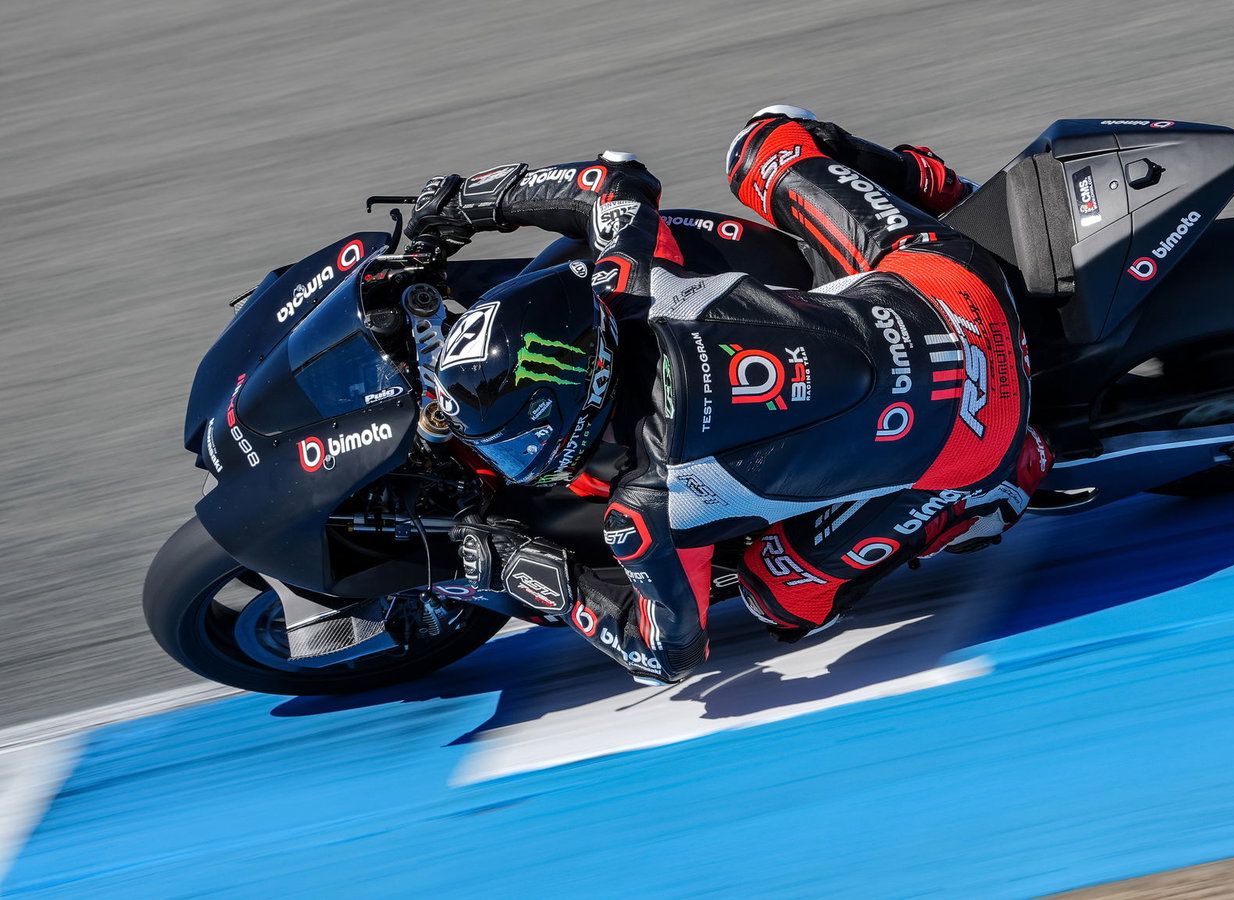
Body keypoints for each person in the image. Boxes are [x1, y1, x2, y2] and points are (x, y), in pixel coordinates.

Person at [405, 106, 1052, 686]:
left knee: (778, 597)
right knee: (764, 144)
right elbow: (618, 181)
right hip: (953, 281)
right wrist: (470, 201)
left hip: (985, 429)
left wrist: (530, 571)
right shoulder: (635, 283)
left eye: (512, 440)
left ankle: (996, 489)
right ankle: (937, 189)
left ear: (568, 418)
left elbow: (666, 654)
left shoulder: (647, 508)